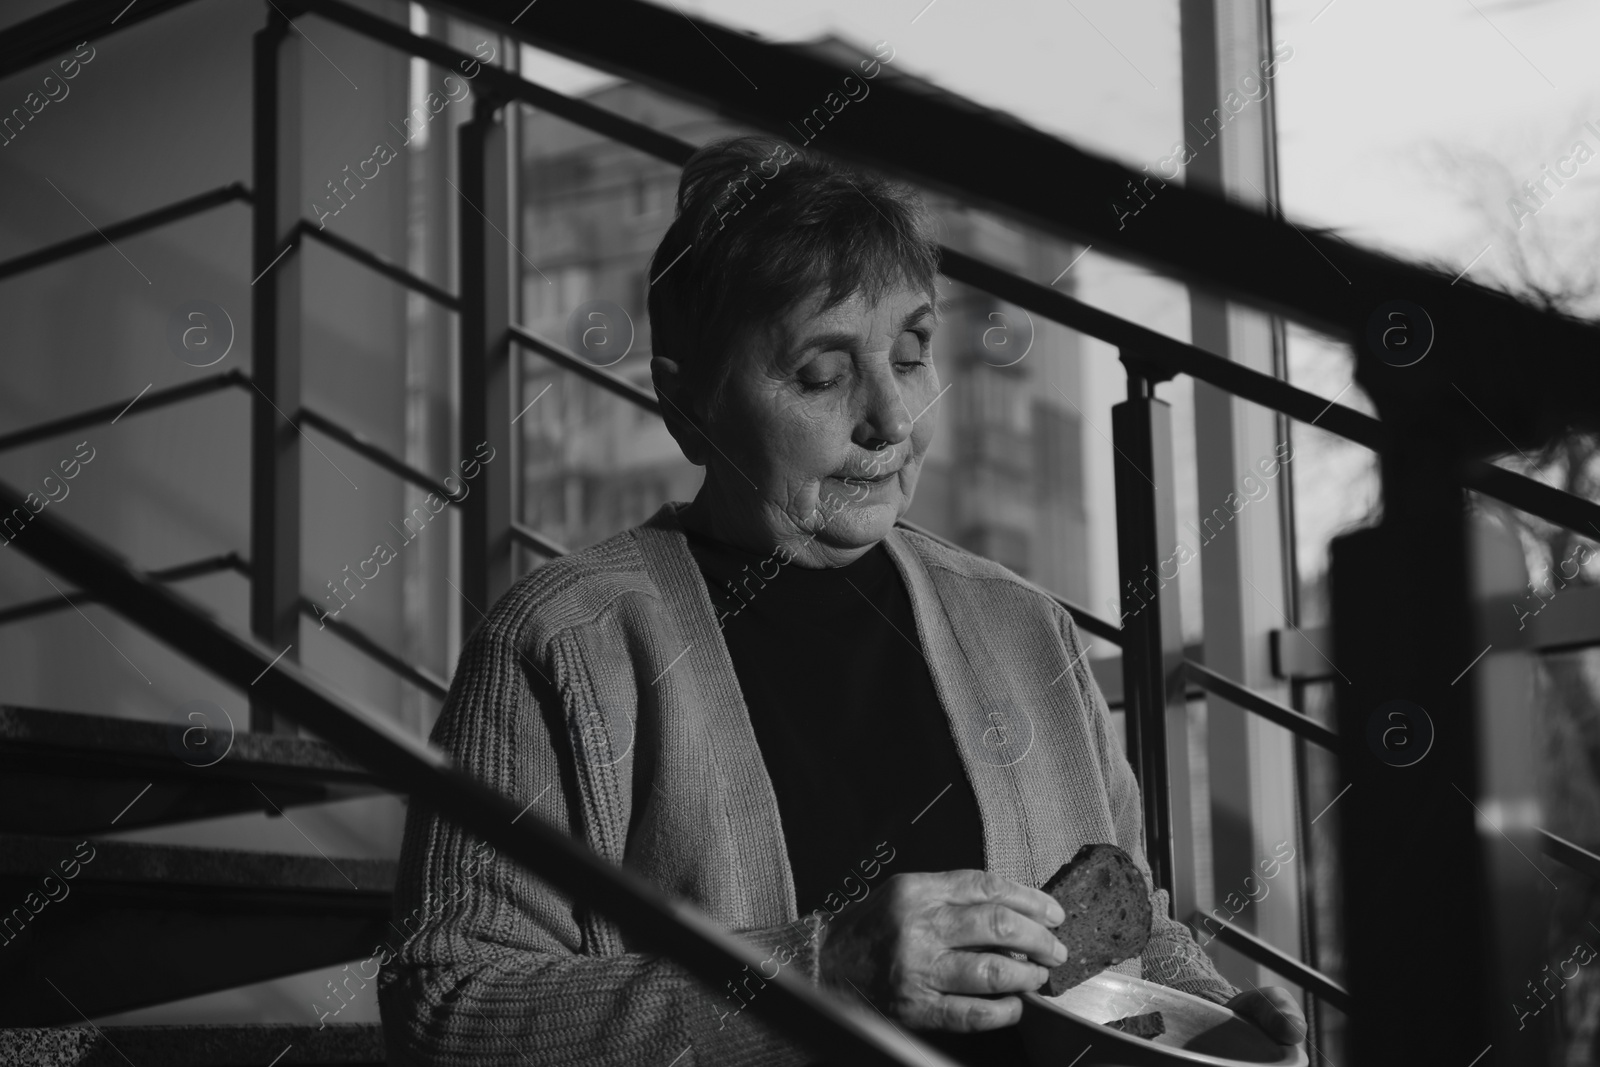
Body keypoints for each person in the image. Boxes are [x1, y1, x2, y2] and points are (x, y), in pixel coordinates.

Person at [378, 135, 1305, 1066]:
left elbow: (1132, 938)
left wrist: (1214, 1011)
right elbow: (449, 1010)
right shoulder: (563, 643)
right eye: (821, 374)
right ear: (687, 405)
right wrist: (823, 971)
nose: (892, 421)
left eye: (909, 355)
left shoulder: (1028, 629)